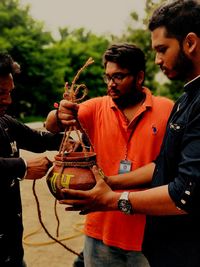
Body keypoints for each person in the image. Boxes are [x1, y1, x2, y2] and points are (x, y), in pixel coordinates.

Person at [57, 1, 200, 266]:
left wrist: (112, 199)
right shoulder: (185, 100)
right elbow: (162, 167)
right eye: (107, 77)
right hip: (120, 238)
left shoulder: (173, 107)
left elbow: (185, 194)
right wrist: (109, 183)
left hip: (169, 244)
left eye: (162, 49)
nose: (158, 59)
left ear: (190, 43)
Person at [45, 43, 173, 267]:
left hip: (150, 236)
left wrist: (110, 182)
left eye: (119, 77)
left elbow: (166, 166)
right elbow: (52, 126)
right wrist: (59, 113)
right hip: (100, 233)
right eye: (107, 77)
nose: (110, 85)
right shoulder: (95, 108)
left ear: (139, 77)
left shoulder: (167, 110)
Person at [0, 52, 68, 267]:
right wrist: (23, 166)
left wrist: (68, 142)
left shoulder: (5, 122)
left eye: (10, 92)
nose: (8, 100)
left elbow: (38, 140)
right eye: (1, 93)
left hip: (10, 250)